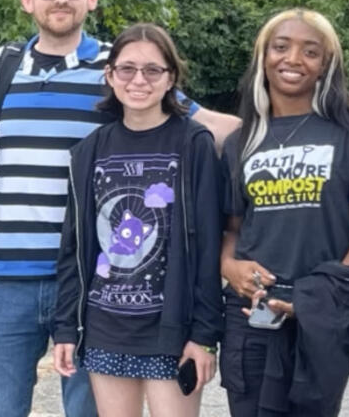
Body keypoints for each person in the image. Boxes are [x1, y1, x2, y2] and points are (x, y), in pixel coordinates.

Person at [0, 0, 240, 417]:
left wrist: (298, 134)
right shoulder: (2, 66)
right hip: (7, 279)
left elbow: (203, 125)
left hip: (89, 280)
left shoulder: (118, 67)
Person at [220, 8, 349, 416]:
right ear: (263, 56)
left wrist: (314, 300)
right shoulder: (240, 142)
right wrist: (229, 267)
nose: (293, 59)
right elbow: (232, 227)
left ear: (326, 65)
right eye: (281, 47)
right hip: (251, 314)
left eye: (310, 51)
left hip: (320, 316)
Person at [52, 23, 222, 417]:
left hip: (171, 331)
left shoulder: (193, 144)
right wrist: (65, 327)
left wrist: (204, 336)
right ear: (110, 76)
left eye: (152, 70)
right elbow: (73, 247)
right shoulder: (89, 151)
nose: (138, 80)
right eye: (127, 69)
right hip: (105, 327)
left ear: (171, 79)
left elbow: (209, 246)